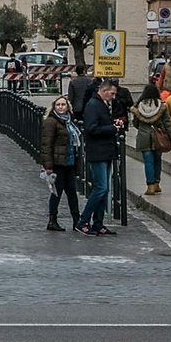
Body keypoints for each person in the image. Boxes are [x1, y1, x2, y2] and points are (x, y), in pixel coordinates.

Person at [75, 78, 123, 237]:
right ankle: (83, 221)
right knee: (100, 188)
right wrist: (112, 128)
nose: (114, 97)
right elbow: (92, 129)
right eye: (112, 93)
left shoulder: (102, 104)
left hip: (106, 151)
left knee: (105, 189)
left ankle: (98, 223)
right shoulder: (93, 105)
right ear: (104, 91)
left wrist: (113, 125)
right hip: (97, 152)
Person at [40, 96, 82, 232]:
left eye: (63, 104)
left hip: (69, 162)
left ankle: (77, 220)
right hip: (57, 163)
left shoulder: (69, 122)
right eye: (58, 104)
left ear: (68, 106)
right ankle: (52, 220)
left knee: (72, 192)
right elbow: (46, 144)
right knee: (56, 193)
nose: (61, 107)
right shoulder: (51, 122)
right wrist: (48, 166)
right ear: (54, 106)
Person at [131, 83, 171, 196]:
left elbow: (136, 123)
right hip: (158, 136)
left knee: (148, 162)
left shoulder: (138, 107)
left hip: (144, 136)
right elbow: (168, 122)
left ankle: (150, 185)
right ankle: (156, 183)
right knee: (157, 160)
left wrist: (142, 128)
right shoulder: (161, 106)